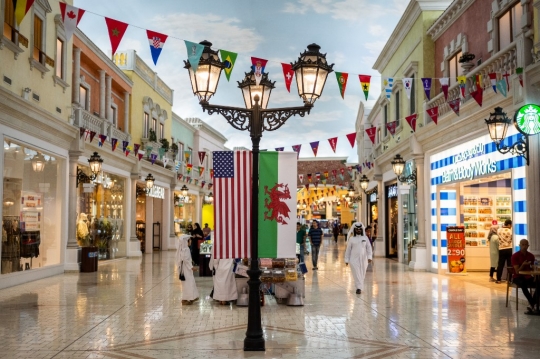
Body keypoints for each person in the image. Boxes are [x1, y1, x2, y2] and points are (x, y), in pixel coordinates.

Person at [511, 239, 539, 313]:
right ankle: (533, 303)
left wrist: (535, 272)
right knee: (523, 284)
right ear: (519, 245)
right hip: (517, 277)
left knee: (538, 283)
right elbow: (517, 271)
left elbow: (533, 267)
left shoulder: (531, 256)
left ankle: (532, 304)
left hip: (528, 276)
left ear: (528, 246)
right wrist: (523, 265)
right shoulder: (515, 256)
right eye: (522, 245)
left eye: (526, 245)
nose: (524, 246)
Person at [345, 222, 373, 294]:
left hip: (364, 260)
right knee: (356, 273)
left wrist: (369, 257)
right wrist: (347, 260)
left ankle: (359, 286)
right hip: (353, 260)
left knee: (362, 274)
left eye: (359, 229)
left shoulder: (365, 238)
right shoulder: (351, 239)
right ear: (354, 230)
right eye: (357, 229)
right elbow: (348, 250)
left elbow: (369, 248)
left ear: (361, 230)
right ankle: (359, 288)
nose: (358, 230)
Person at [176, 236, 199, 305]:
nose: (190, 242)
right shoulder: (186, 249)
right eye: (189, 240)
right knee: (188, 283)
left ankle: (191, 297)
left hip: (184, 268)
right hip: (186, 269)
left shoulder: (182, 249)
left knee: (189, 283)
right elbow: (186, 260)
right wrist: (191, 267)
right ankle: (186, 298)